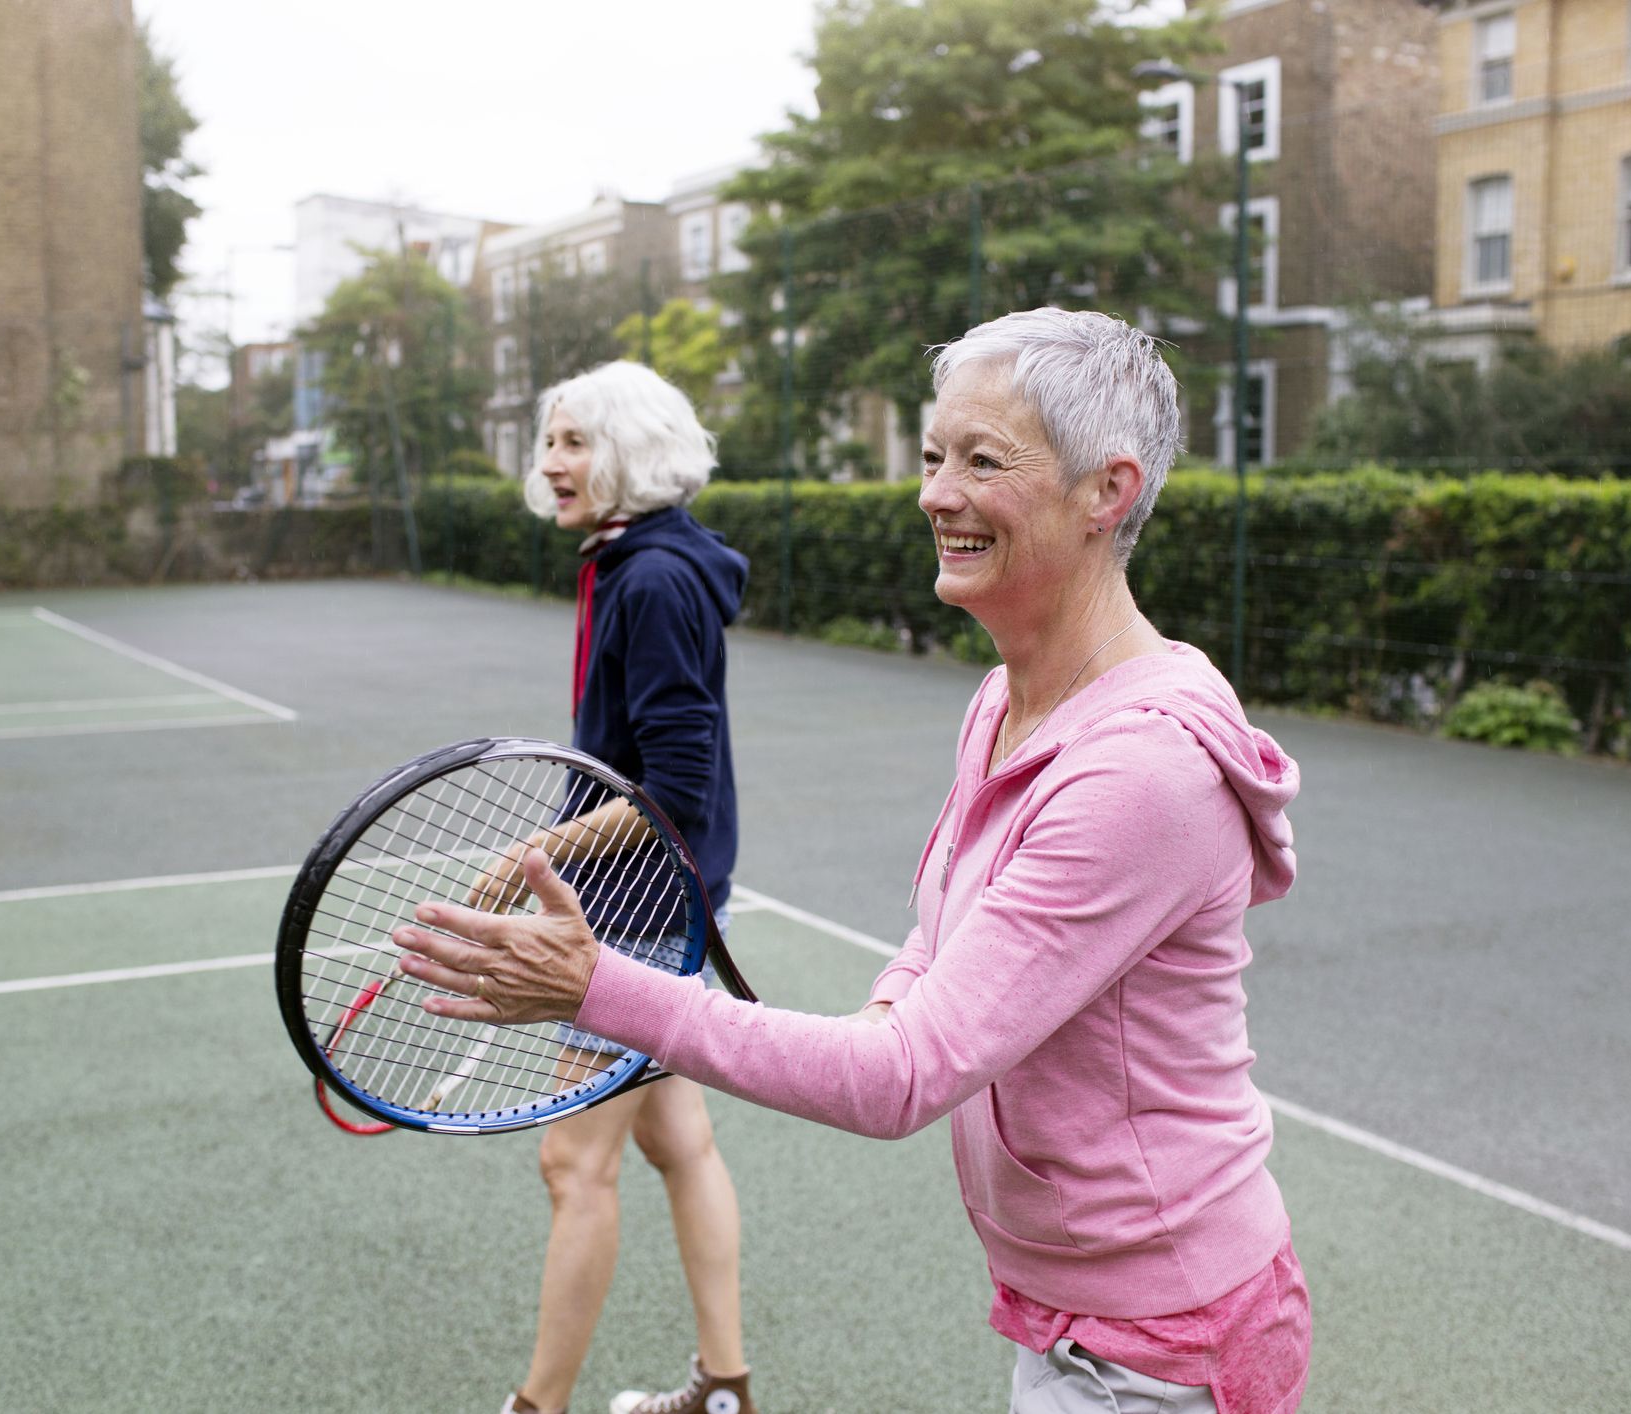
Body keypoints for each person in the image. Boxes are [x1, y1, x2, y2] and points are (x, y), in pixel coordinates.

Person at [400, 310, 1313, 1414]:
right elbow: (935, 952)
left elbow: (899, 1080)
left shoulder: (1142, 773)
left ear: (1105, 491)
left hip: (1162, 1346)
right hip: (1075, 1313)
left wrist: (595, 985)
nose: (936, 492)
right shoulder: (1004, 703)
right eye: (934, 457)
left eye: (983, 459)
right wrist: (893, 1011)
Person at [492, 361, 757, 1414]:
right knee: (676, 1137)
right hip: (658, 902)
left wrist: (539, 855)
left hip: (648, 914)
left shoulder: (650, 581)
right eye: (549, 442)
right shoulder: (634, 560)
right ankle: (725, 1388)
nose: (552, 462)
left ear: (631, 452)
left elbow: (673, 793)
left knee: (571, 1160)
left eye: (575, 442)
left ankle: (536, 1406)